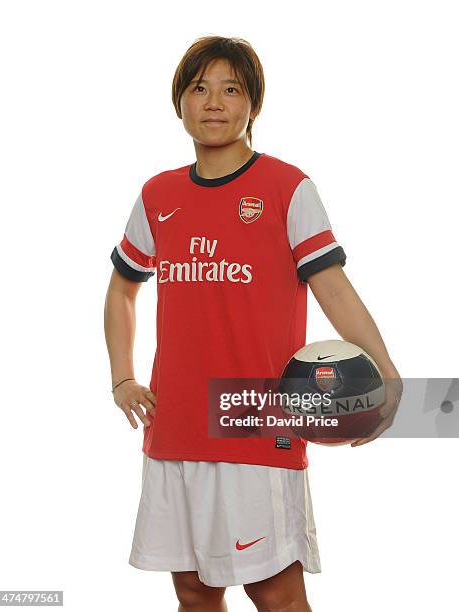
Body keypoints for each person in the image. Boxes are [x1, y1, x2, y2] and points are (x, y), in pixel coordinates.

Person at [104, 35, 402, 612]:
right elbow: (122, 289)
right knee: (193, 591)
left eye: (230, 89)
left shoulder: (288, 188)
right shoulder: (157, 195)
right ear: (180, 102)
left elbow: (333, 288)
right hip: (176, 423)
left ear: (252, 105)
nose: (213, 101)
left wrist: (387, 375)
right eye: (199, 88)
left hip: (254, 417)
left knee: (276, 594)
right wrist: (123, 377)